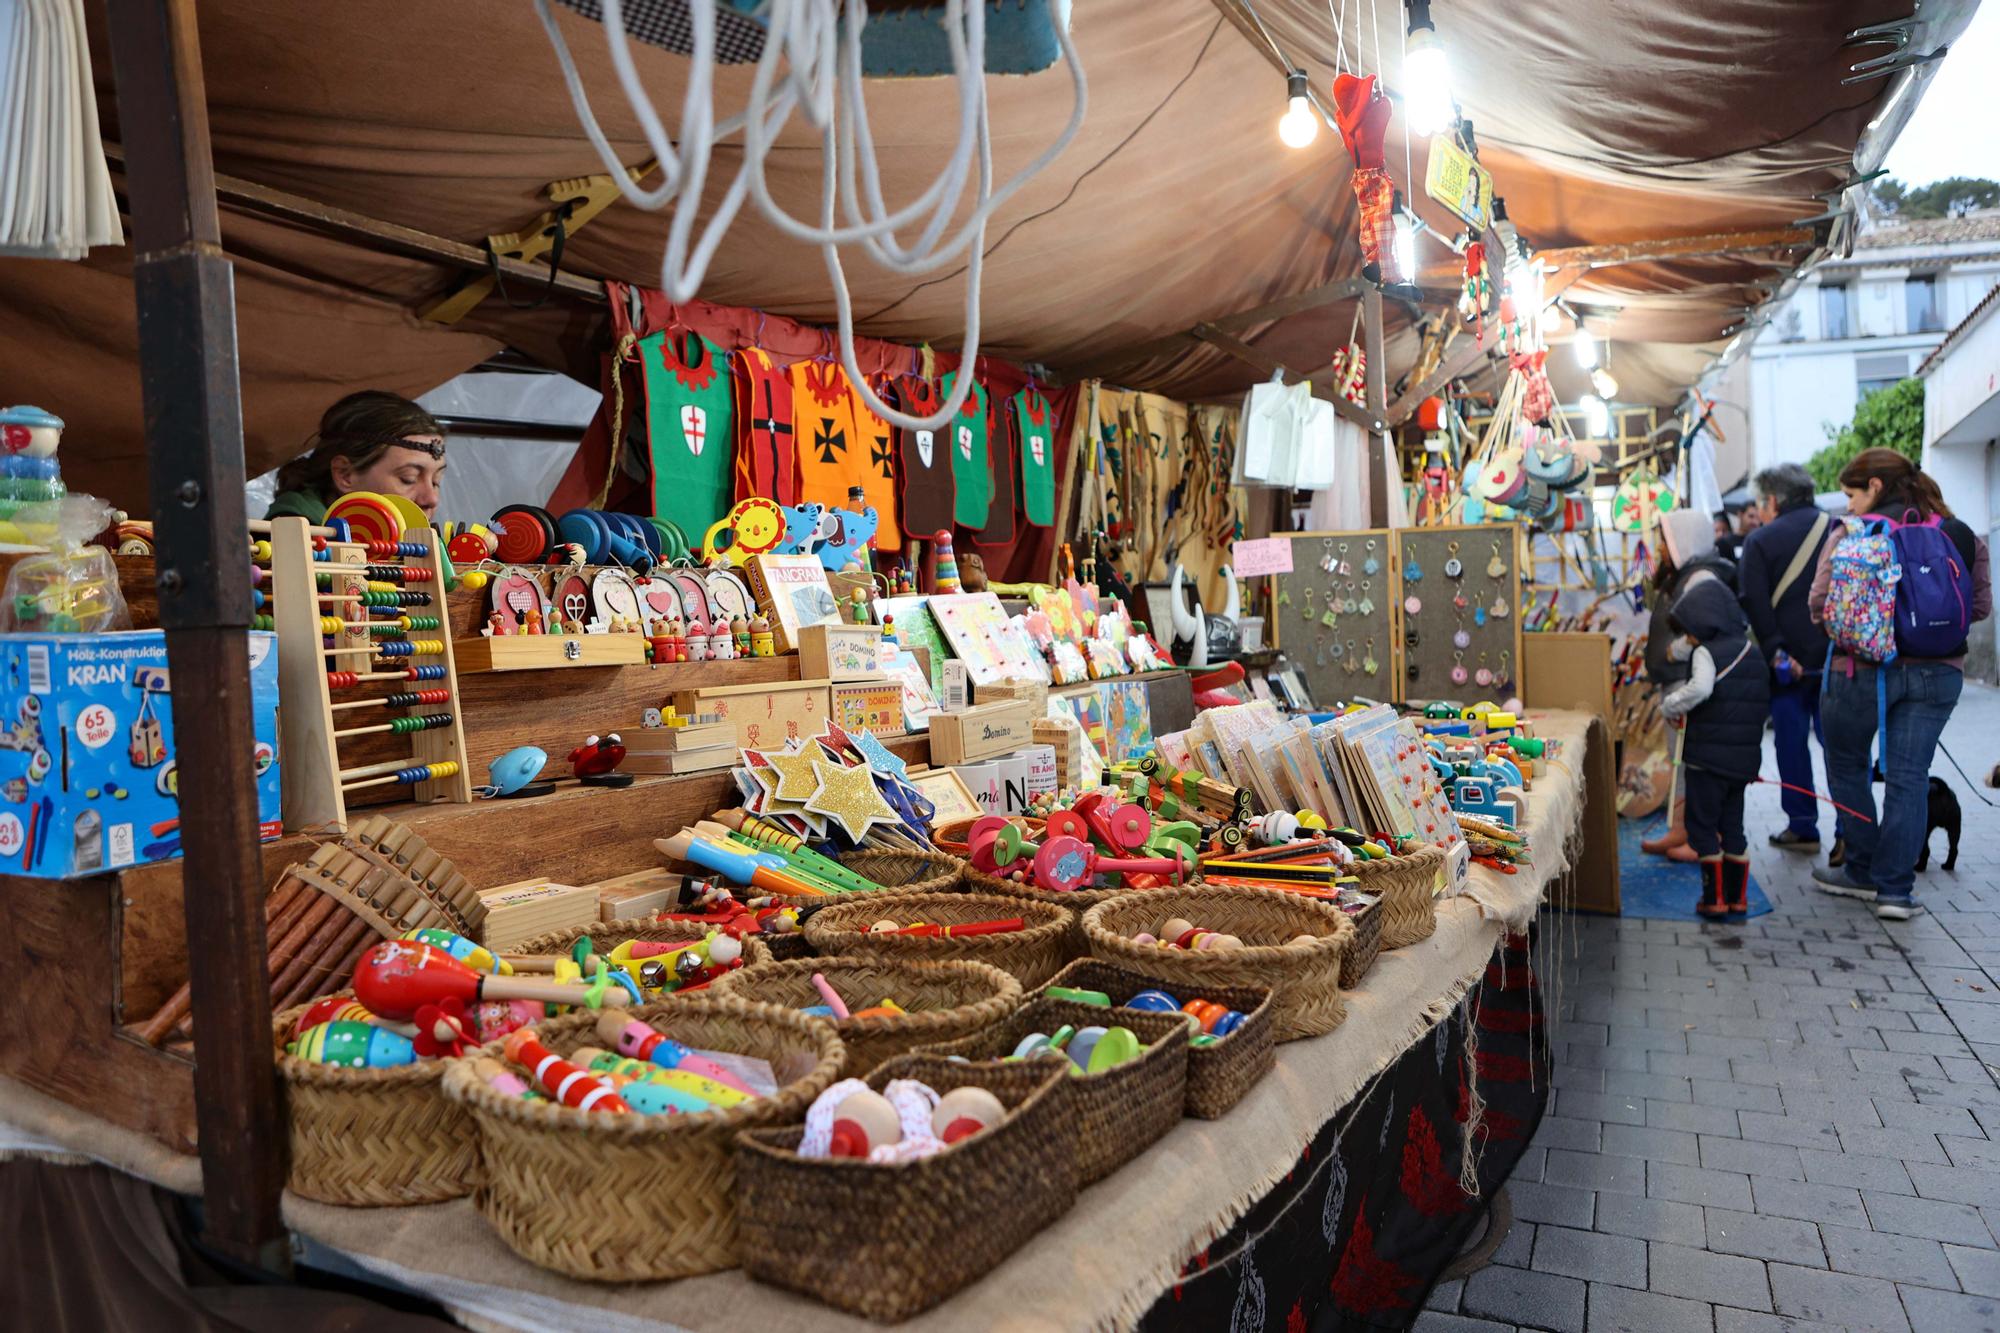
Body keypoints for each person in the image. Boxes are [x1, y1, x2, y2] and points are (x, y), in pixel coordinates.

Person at [1810, 449, 1992, 920]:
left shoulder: (1852, 532)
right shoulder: (1959, 533)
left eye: (1851, 493)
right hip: (1939, 672)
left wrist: (1869, 628)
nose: (1848, 504)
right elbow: (1978, 608)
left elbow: (1819, 601)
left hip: (1860, 670)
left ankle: (1861, 869)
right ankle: (1895, 891)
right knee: (1909, 778)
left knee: (1847, 763)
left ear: (1874, 487)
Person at [1653, 510, 1769, 918]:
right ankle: (1739, 898)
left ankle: (1714, 899)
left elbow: (1700, 689)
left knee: (1704, 826)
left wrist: (1671, 705)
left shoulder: (1707, 652)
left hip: (1706, 760)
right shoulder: (1751, 651)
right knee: (1733, 827)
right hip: (1742, 761)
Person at [1736, 463, 1834, 853]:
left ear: (1773, 500)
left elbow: (1755, 603)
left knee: (1791, 745)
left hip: (1786, 665)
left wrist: (1777, 650)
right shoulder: (1838, 528)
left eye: (1761, 501)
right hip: (1834, 661)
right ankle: (1849, 833)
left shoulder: (1761, 542)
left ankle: (1803, 826)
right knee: (1840, 750)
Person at [1641, 512, 1745, 863]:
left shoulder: (1699, 579)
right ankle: (1681, 828)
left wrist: (1674, 650)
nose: (1659, 548)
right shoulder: (1685, 576)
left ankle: (1703, 835)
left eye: (1664, 540)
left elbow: (1705, 629)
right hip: (1675, 677)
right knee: (1681, 759)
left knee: (1693, 761)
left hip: (1686, 679)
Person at [267, 391, 448, 523]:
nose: (431, 499)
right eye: (408, 478)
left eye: (436, 481)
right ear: (345, 474)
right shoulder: (289, 545)